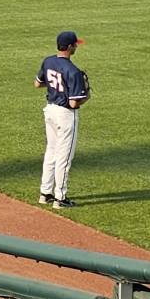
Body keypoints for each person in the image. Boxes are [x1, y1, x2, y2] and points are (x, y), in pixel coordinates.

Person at [34, 30, 88, 209]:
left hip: (49, 110)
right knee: (64, 157)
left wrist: (56, 87)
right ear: (70, 47)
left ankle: (45, 193)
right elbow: (74, 103)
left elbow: (37, 83)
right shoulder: (73, 71)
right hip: (65, 115)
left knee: (51, 151)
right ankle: (60, 198)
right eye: (75, 45)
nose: (76, 47)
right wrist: (86, 95)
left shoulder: (48, 61)